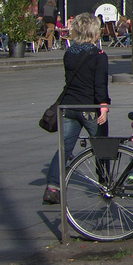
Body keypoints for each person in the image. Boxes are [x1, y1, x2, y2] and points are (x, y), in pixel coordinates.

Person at [41, 13, 109, 205]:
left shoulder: (69, 53)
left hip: (69, 106)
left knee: (64, 148)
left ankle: (52, 187)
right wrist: (103, 107)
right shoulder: (98, 56)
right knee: (102, 147)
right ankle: (106, 184)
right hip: (90, 108)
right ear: (94, 32)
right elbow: (100, 84)